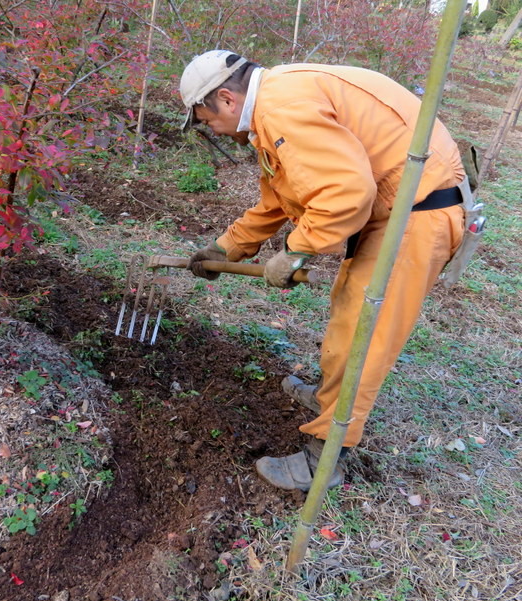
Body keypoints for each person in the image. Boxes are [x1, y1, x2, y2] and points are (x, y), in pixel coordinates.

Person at [180, 50, 467, 492]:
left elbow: (346, 191)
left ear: (225, 98)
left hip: (418, 213)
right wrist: (227, 247)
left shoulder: (281, 106)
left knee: (364, 335)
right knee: (349, 310)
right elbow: (278, 197)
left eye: (203, 118)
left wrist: (296, 250)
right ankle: (326, 396)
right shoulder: (274, 105)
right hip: (397, 209)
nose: (208, 129)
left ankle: (323, 459)